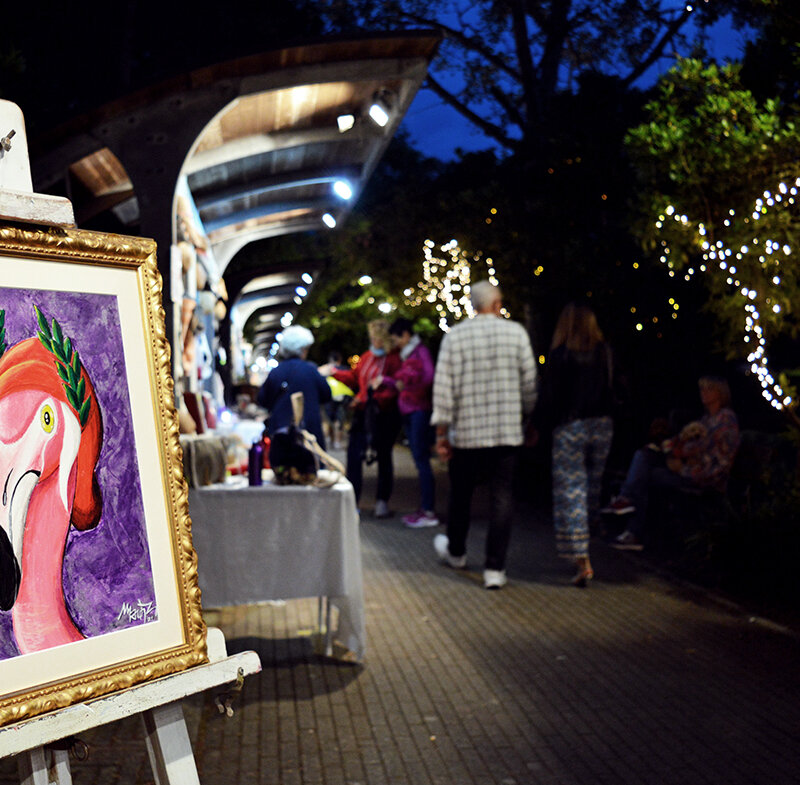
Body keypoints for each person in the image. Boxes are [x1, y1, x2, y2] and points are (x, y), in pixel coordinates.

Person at [430, 281, 537, 589]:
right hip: (506, 432)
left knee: (460, 493)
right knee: (502, 497)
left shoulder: (455, 336)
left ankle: (457, 552)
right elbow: (529, 383)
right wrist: (528, 418)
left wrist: (442, 432)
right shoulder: (516, 333)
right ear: (496, 303)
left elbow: (444, 388)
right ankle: (494, 568)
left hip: (466, 433)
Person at [605, 375, 740, 550]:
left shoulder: (725, 421)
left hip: (701, 478)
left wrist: (683, 468)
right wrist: (673, 449)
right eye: (702, 389)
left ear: (720, 393)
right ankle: (627, 505)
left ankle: (633, 527)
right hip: (685, 468)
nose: (704, 393)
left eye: (709, 389)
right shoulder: (706, 419)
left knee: (647, 475)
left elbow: (717, 464)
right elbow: (682, 444)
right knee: (644, 455)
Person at [535, 303, 614, 586]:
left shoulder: (560, 355)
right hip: (602, 425)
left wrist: (538, 428)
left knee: (572, 492)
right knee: (592, 489)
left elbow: (550, 397)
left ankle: (582, 559)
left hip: (570, 427)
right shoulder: (605, 352)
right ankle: (593, 537)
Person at [322, 320, 401, 516]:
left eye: (377, 338)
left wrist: (372, 399)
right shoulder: (367, 357)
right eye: (372, 338)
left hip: (382, 415)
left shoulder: (394, 360)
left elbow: (396, 388)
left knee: (384, 456)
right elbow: (355, 377)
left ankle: (382, 501)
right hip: (363, 412)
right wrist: (334, 372)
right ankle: (353, 501)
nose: (374, 341)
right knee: (354, 456)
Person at [380, 317, 438, 528]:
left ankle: (428, 510)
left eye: (396, 338)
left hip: (417, 411)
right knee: (419, 460)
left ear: (405, 335)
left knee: (422, 461)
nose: (396, 343)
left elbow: (428, 377)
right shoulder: (410, 353)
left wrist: (410, 386)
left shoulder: (418, 351)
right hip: (412, 411)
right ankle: (425, 508)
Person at [257, 325, 331, 466]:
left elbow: (263, 400)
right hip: (309, 435)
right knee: (312, 475)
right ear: (302, 349)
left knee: (283, 475)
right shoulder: (311, 369)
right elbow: (327, 395)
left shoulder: (276, 372)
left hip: (281, 436)